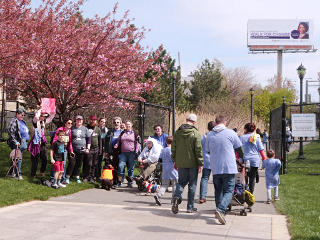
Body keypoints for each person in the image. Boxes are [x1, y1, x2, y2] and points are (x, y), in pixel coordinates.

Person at [206, 115, 243, 225]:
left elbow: (208, 151)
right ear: (225, 122)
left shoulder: (210, 135)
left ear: (216, 122)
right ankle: (221, 210)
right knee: (229, 190)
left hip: (215, 167)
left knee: (218, 190)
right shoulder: (231, 133)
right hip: (229, 167)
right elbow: (239, 148)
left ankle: (219, 209)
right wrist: (242, 159)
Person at [171, 113, 203, 214]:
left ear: (186, 119)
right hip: (193, 162)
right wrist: (200, 163)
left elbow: (173, 148)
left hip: (180, 162)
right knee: (192, 184)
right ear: (194, 122)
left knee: (181, 182)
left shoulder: (177, 132)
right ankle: (190, 207)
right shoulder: (195, 133)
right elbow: (198, 149)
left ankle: (176, 196)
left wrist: (175, 160)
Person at [240, 122, 266, 194]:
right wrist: (264, 158)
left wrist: (238, 158)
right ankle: (251, 193)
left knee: (245, 177)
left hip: (245, 159)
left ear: (245, 129)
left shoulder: (241, 137)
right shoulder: (257, 137)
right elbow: (261, 149)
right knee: (252, 177)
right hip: (254, 159)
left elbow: (238, 149)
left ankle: (244, 191)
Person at [28, 108, 55, 178]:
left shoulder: (43, 122)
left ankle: (42, 171)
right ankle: (33, 174)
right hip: (35, 144)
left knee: (45, 159)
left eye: (44, 116)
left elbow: (51, 117)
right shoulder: (35, 122)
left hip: (42, 143)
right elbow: (36, 117)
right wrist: (41, 109)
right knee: (35, 160)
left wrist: (52, 110)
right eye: (42, 116)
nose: (43, 117)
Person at [114, 120, 141, 187]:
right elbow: (118, 141)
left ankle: (130, 182)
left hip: (132, 153)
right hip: (123, 153)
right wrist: (116, 145)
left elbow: (138, 143)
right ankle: (120, 181)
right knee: (120, 166)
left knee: (131, 168)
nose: (128, 126)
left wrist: (136, 151)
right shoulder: (123, 133)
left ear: (131, 125)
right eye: (127, 124)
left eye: (129, 124)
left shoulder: (135, 133)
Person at [65, 115, 91, 183]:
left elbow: (89, 139)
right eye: (77, 120)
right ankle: (67, 176)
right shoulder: (72, 128)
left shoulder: (85, 129)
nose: (79, 121)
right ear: (75, 121)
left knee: (79, 164)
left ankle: (77, 177)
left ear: (82, 121)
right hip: (73, 149)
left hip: (82, 149)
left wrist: (88, 148)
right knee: (72, 163)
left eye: (80, 120)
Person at [154, 136, 178, 206]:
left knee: (164, 185)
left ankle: (158, 195)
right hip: (173, 169)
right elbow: (175, 159)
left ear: (166, 142)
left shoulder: (163, 150)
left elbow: (160, 159)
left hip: (165, 169)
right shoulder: (173, 150)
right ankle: (173, 200)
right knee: (174, 185)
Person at [7, 107, 30, 180]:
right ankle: (18, 174)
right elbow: (11, 132)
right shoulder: (14, 121)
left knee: (15, 158)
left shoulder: (23, 121)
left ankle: (11, 173)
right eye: (21, 115)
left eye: (23, 115)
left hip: (22, 142)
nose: (22, 116)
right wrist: (15, 141)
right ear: (17, 114)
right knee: (18, 158)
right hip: (17, 143)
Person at [51, 118, 74, 183]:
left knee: (63, 164)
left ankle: (61, 179)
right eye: (68, 123)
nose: (70, 124)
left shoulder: (69, 131)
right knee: (56, 164)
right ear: (65, 123)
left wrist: (71, 151)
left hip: (64, 149)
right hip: (58, 149)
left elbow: (70, 143)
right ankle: (52, 178)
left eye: (71, 123)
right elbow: (55, 139)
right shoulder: (60, 129)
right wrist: (55, 148)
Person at [199, 121, 215, 204]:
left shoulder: (204, 137)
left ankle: (202, 196)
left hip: (206, 160)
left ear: (207, 128)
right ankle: (218, 196)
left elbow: (199, 147)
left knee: (205, 178)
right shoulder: (217, 136)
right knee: (217, 179)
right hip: (216, 159)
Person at [105, 117, 123, 186]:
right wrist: (106, 151)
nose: (116, 124)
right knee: (111, 166)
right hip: (111, 151)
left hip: (119, 152)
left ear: (120, 123)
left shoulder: (122, 132)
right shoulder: (110, 132)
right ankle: (111, 180)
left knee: (119, 167)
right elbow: (106, 142)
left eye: (118, 122)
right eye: (115, 122)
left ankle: (118, 181)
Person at [83, 115, 102, 183]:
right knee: (88, 163)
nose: (93, 121)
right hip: (89, 149)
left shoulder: (98, 129)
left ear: (96, 121)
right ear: (89, 120)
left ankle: (92, 177)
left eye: (94, 120)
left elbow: (100, 140)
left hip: (96, 149)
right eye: (91, 120)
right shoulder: (86, 128)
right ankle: (86, 176)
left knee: (94, 163)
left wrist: (100, 150)